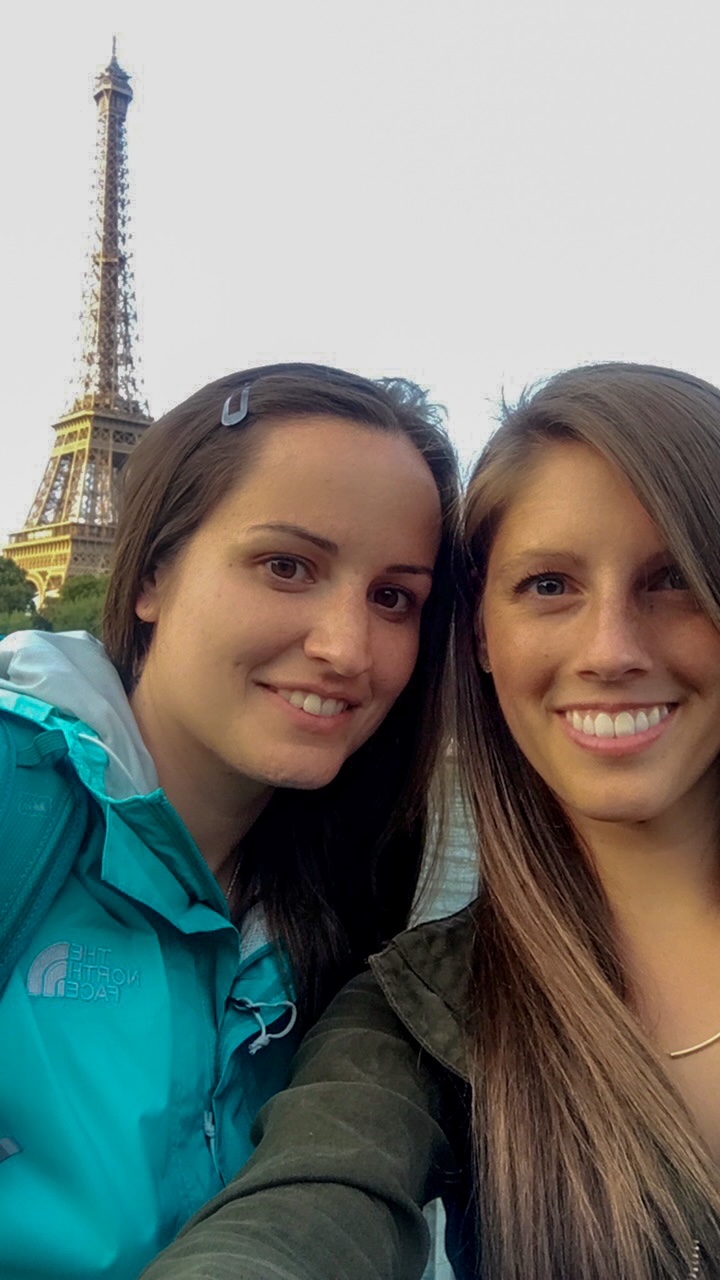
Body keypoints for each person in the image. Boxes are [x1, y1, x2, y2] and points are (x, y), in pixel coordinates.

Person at [141, 362, 720, 1280]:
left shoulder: (327, 905)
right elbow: (310, 1205)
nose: (613, 649)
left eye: (676, 578)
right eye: (549, 585)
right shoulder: (423, 1011)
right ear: (482, 633)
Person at [0, 362, 460, 1280]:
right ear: (152, 577)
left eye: (394, 596)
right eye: (286, 566)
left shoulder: (350, 897)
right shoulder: (19, 803)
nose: (346, 647)